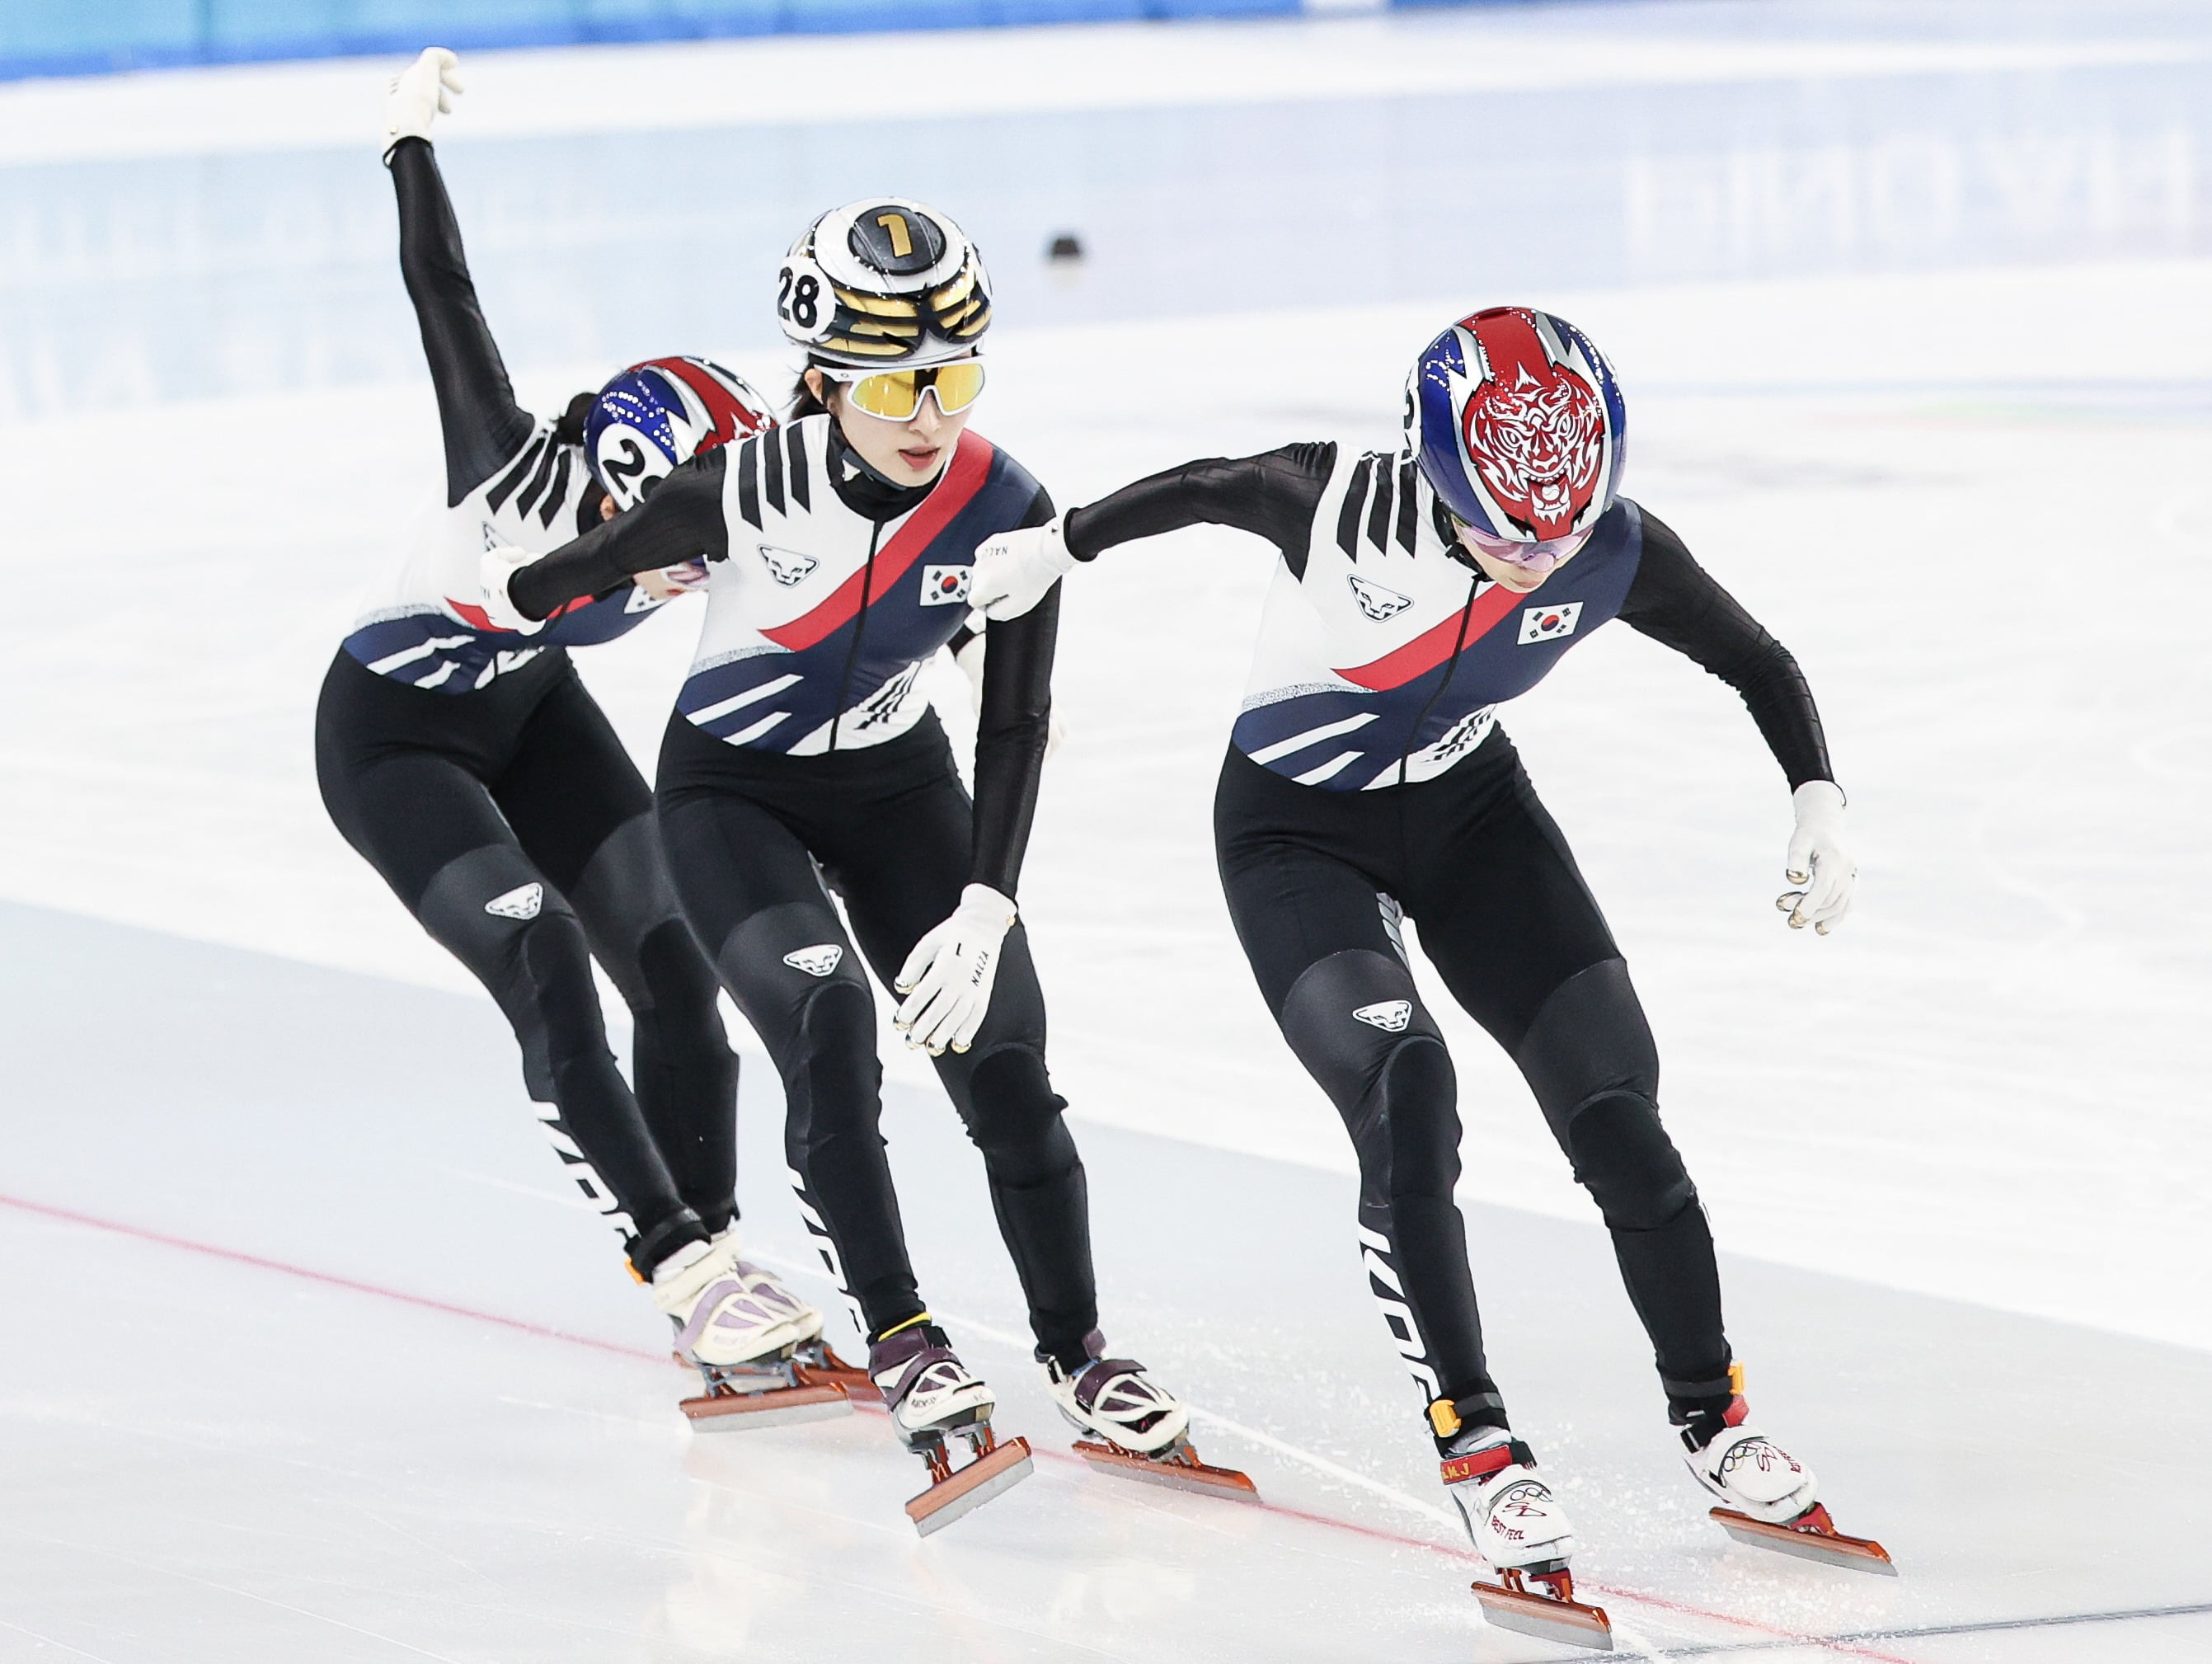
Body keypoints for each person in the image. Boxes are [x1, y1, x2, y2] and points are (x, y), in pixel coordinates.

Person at [966, 306, 1862, 1598]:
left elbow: (1755, 657)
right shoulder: (1329, 501)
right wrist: (1065, 541)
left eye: (1556, 531)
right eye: (1502, 530)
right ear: (1433, 473)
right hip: (1293, 836)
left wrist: (1816, 792)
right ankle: (1481, 1440)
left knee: (1617, 1103)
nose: (1530, 561)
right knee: (1410, 1094)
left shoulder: (1603, 547)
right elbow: (1207, 489)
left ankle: (1713, 1417)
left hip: (1473, 817)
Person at [476, 198, 1223, 1515]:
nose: (929, 412)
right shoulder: (738, 490)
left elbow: (1017, 717)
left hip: (901, 789)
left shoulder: (1010, 506)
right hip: (732, 796)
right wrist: (572, 578)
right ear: (822, 377)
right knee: (825, 1018)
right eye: (894, 382)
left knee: (1005, 1058)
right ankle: (904, 1335)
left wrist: (989, 901)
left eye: (955, 375)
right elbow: (550, 582)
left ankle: (1081, 1351)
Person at [315, 49, 824, 1384]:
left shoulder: (689, 509)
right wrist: (401, 146)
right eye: (672, 541)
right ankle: (672, 1254)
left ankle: (715, 1268)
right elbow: (448, 304)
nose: (690, 565)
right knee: (542, 961)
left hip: (533, 711)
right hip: (394, 739)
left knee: (674, 961)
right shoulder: (510, 478)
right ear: (614, 498)